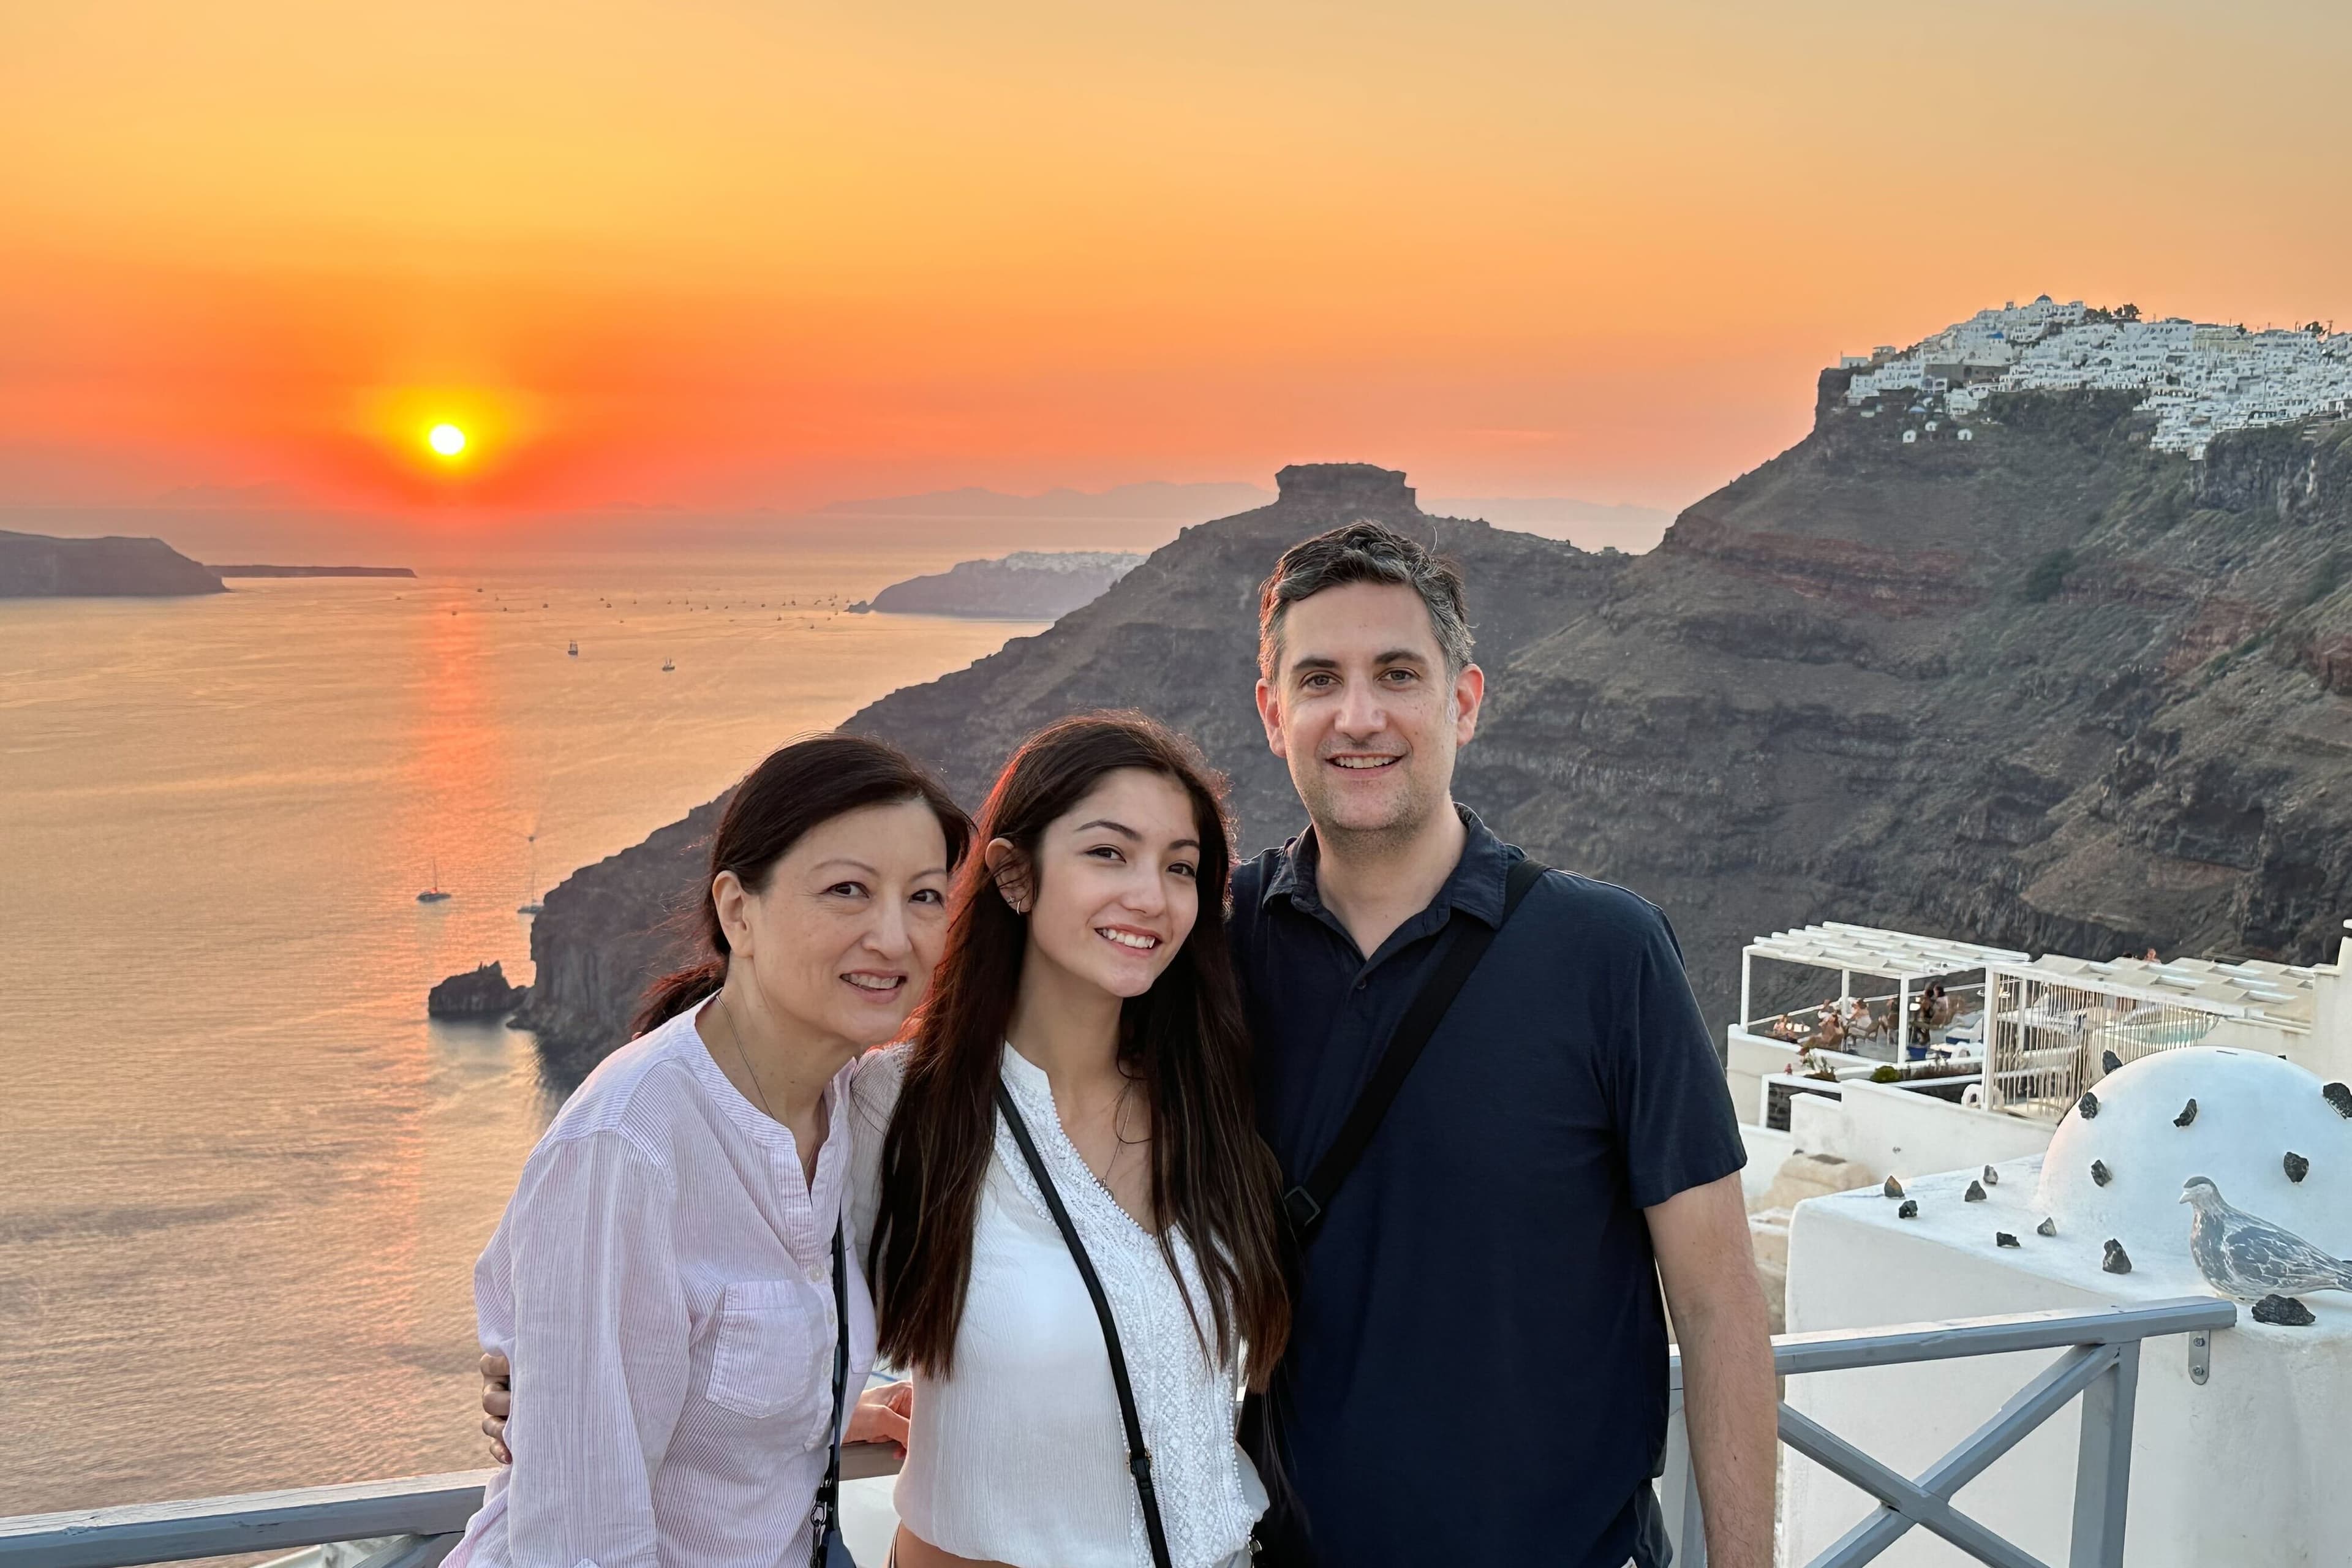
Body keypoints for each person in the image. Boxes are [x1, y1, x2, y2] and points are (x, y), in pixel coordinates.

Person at [1233, 522, 1775, 1568]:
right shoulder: (1216, 947)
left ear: (1464, 702)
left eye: (1397, 673)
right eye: (1318, 680)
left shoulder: (1608, 953)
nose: (1358, 716)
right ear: (1273, 715)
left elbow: (1718, 1307)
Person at [450, 735, 968, 1568]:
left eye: (925, 898)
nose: (893, 936)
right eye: (848, 891)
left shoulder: (849, 1104)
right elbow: (581, 1543)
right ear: (738, 911)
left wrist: (827, 1410)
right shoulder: (625, 1151)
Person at [853, 712, 1290, 1568]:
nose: (1151, 896)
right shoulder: (898, 1104)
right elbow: (731, 1298)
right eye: (1108, 853)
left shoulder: (1207, 1100)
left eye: (1181, 868)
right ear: (1015, 876)